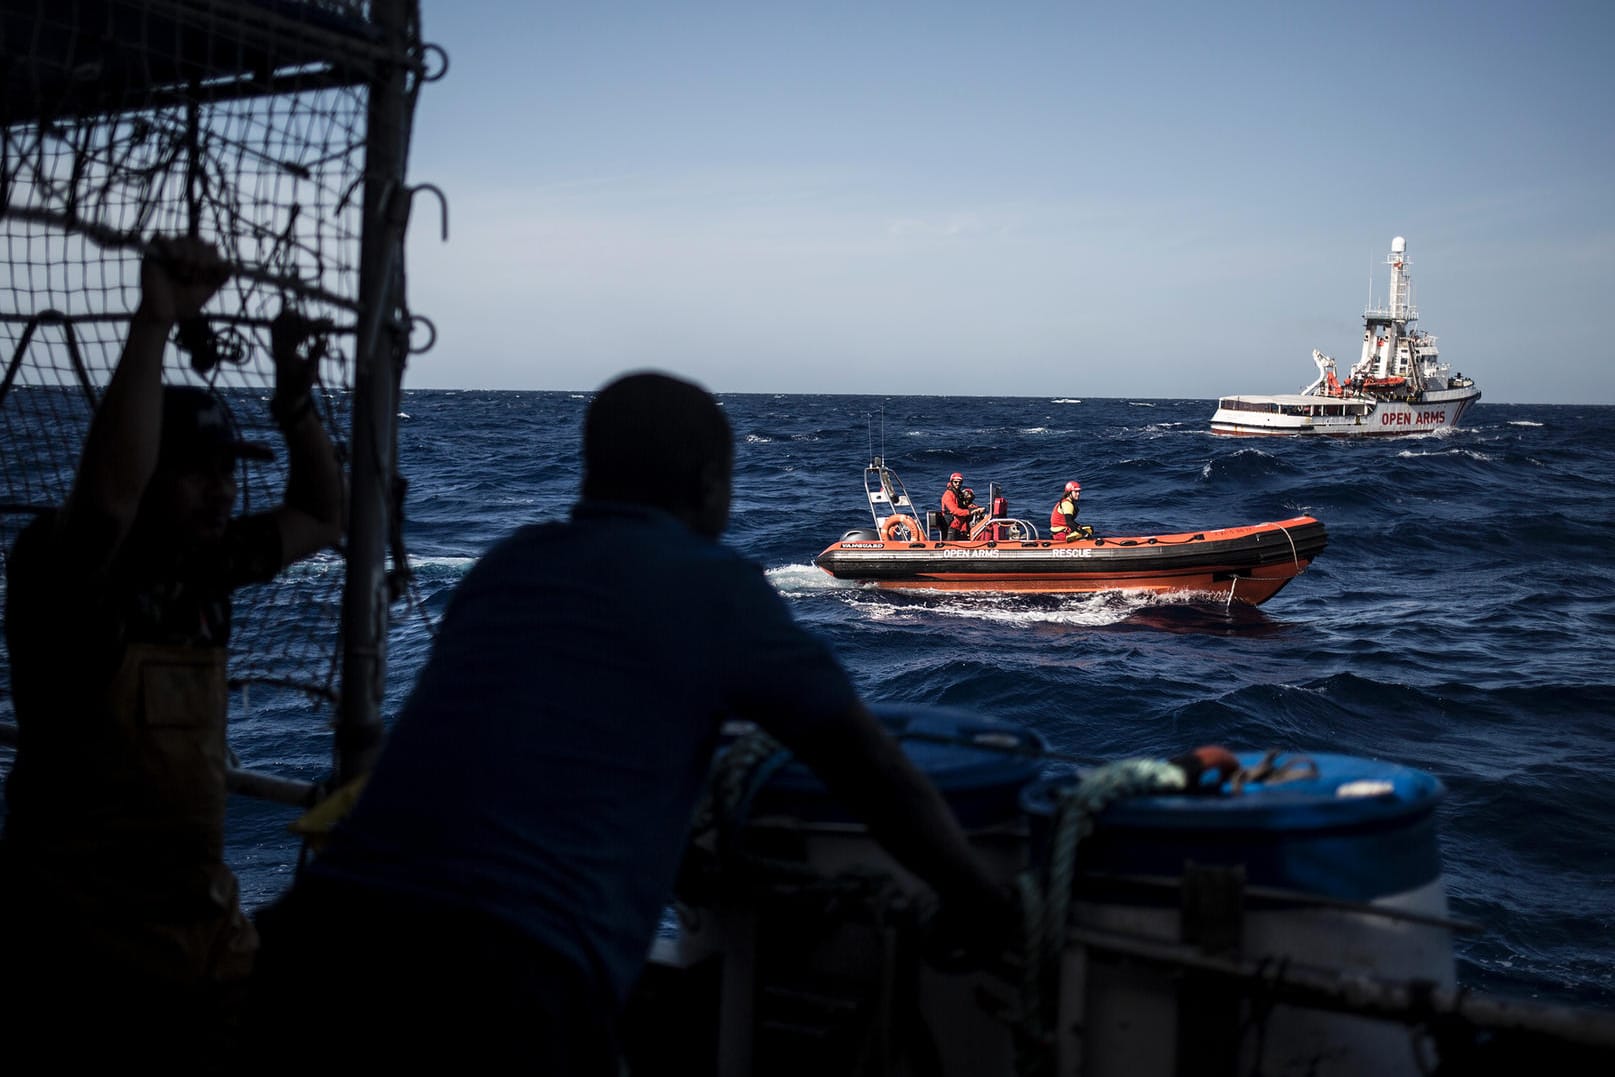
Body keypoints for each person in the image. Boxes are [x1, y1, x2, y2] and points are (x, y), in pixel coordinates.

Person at [244, 371, 1017, 1074]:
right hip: (505, 982)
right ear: (710, 482)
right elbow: (870, 771)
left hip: (312, 944)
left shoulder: (505, 566)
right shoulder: (714, 587)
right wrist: (984, 901)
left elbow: (535, 751)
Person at [0, 235, 344, 1071]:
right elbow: (110, 500)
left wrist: (295, 406)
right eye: (196, 471)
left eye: (230, 471)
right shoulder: (68, 573)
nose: (224, 489)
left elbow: (322, 515)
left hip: (195, 946)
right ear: (150, 470)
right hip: (77, 961)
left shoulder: (206, 569)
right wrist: (156, 322)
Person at [940, 471, 976, 539]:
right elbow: (955, 511)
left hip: (959, 524)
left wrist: (975, 508)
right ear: (951, 482)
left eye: (960, 482)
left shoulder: (958, 494)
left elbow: (964, 505)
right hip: (951, 524)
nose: (958, 484)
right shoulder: (948, 495)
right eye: (955, 482)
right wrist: (970, 512)